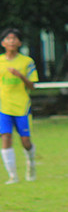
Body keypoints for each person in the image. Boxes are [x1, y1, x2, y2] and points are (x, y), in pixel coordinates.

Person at [0, 28, 38, 185]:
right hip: (3, 107)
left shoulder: (26, 62)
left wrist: (20, 76)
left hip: (22, 106)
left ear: (20, 43)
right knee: (6, 138)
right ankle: (13, 176)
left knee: (25, 142)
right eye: (8, 38)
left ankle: (31, 164)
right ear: (3, 43)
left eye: (14, 38)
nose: (11, 41)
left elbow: (32, 86)